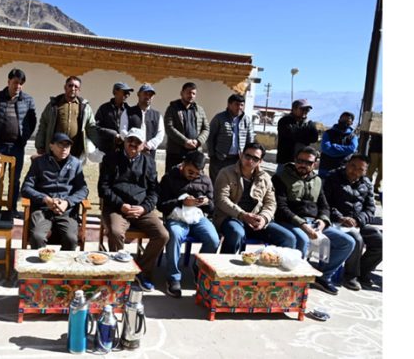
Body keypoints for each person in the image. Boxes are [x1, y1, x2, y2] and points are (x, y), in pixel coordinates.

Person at [272, 147, 355, 295]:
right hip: (291, 222)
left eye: (308, 162)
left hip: (315, 224)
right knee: (303, 240)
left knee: (347, 242)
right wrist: (303, 225)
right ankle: (296, 283)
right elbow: (281, 207)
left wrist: (323, 222)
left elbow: (324, 206)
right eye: (300, 161)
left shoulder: (317, 181)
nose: (303, 165)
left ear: (315, 164)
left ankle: (322, 277)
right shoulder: (281, 177)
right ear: (295, 160)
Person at [98, 128, 169, 292]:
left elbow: (154, 191)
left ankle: (140, 270)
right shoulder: (111, 159)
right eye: (130, 140)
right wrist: (120, 204)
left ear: (143, 145)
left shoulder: (149, 162)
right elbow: (103, 188)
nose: (133, 144)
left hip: (140, 208)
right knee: (115, 232)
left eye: (138, 142)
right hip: (117, 207)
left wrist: (144, 208)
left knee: (163, 235)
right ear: (124, 141)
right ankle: (119, 274)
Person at [215, 142, 296, 254]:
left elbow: (270, 203)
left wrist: (264, 218)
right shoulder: (226, 173)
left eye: (255, 158)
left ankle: (272, 270)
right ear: (241, 155)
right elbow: (221, 199)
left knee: (288, 238)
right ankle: (225, 269)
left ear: (260, 161)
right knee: (236, 233)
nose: (250, 161)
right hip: (232, 217)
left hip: (257, 220)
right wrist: (243, 215)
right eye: (247, 156)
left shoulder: (265, 178)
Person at [158, 150, 219, 298]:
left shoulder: (205, 180)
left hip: (198, 218)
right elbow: (161, 205)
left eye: (197, 174)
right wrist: (181, 201)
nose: (193, 176)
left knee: (213, 239)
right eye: (190, 171)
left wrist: (205, 203)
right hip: (176, 217)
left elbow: (212, 208)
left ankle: (198, 267)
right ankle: (173, 278)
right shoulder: (169, 177)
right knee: (174, 234)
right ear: (183, 165)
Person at [21, 133, 89, 250]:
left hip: (66, 210)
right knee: (37, 236)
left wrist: (67, 202)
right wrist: (45, 199)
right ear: (51, 146)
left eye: (67, 146)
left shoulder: (75, 164)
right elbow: (26, 188)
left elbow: (83, 189)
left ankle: (63, 266)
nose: (64, 148)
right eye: (60, 145)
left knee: (71, 239)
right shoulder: (39, 162)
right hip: (43, 209)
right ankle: (39, 267)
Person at [324, 154, 382, 291]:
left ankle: (362, 272)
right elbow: (325, 203)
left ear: (365, 171)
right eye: (352, 166)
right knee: (357, 239)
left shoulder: (367, 183)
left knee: (379, 239)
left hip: (356, 223)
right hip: (335, 222)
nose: (355, 171)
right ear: (347, 164)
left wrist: (358, 220)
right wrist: (340, 217)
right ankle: (350, 276)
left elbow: (370, 209)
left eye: (360, 169)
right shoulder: (333, 177)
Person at [0, 68, 37, 217]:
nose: (17, 86)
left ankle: (12, 207)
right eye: (15, 82)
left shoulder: (27, 100)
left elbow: (32, 121)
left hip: (17, 146)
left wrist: (24, 137)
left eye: (20, 84)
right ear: (8, 82)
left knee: (14, 178)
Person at [35, 76, 100, 160]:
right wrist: (40, 145)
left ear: (79, 90)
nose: (73, 88)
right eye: (70, 85)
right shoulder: (54, 105)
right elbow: (43, 124)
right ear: (65, 87)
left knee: (72, 172)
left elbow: (91, 127)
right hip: (56, 149)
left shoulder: (85, 107)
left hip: (76, 150)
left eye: (76, 87)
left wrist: (98, 144)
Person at [207, 93, 255, 183]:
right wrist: (212, 155)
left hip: (238, 159)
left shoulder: (247, 120)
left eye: (242, 105)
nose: (239, 107)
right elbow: (210, 137)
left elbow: (250, 139)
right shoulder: (219, 118)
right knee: (217, 181)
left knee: (233, 183)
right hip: (220, 158)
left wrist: (248, 156)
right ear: (229, 105)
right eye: (236, 104)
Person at [164, 82, 209, 171]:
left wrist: (198, 141)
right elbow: (169, 127)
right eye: (188, 92)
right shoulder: (172, 108)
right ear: (182, 93)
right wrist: (185, 141)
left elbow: (206, 128)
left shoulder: (199, 110)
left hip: (195, 152)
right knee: (173, 177)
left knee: (194, 179)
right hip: (176, 152)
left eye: (193, 93)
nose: (191, 95)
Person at [119, 83, 165, 160]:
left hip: (149, 152)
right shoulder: (128, 112)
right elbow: (123, 131)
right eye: (145, 93)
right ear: (138, 94)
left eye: (150, 95)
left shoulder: (157, 115)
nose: (148, 96)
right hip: (131, 151)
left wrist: (148, 145)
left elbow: (160, 134)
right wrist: (135, 144)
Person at [276, 99, 319, 174]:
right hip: (286, 160)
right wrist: (305, 134)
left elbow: (314, 137)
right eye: (302, 109)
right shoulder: (284, 121)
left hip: (302, 162)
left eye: (307, 110)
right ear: (294, 109)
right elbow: (292, 134)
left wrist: (299, 133)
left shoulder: (309, 123)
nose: (305, 111)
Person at [95, 82, 133, 155]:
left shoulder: (129, 111)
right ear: (115, 92)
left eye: (128, 93)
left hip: (124, 150)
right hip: (106, 150)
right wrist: (113, 134)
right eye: (125, 92)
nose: (127, 95)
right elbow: (96, 128)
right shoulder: (104, 109)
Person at [319, 112, 358, 178]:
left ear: (351, 123)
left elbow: (352, 149)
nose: (344, 122)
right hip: (325, 169)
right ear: (339, 120)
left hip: (343, 171)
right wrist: (344, 152)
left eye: (347, 120)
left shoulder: (353, 136)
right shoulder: (328, 133)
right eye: (343, 120)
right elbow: (326, 148)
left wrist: (335, 146)